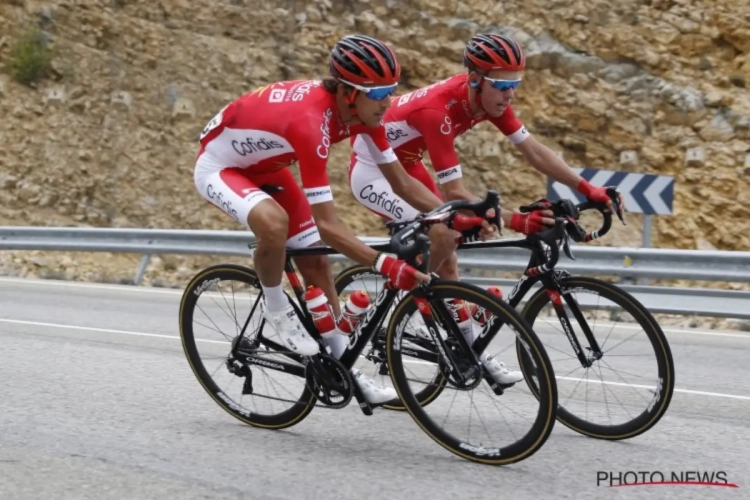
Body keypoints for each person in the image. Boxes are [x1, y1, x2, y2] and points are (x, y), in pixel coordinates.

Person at [193, 34, 468, 404]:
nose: (388, 101)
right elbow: (328, 224)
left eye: (392, 90)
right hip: (219, 167)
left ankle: (346, 370)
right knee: (275, 225)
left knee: (318, 265)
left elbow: (400, 182)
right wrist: (384, 264)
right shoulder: (312, 122)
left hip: (268, 168)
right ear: (348, 93)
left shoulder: (365, 116)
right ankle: (277, 310)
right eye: (378, 93)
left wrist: (449, 215)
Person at [348, 32, 624, 384]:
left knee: (448, 256)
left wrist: (589, 188)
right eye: (501, 85)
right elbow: (455, 193)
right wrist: (517, 219)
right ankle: (389, 314)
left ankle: (466, 347)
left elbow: (534, 151)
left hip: (408, 165)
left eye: (516, 85)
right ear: (475, 80)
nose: (510, 94)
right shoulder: (439, 111)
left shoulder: (489, 100)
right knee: (446, 233)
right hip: (373, 173)